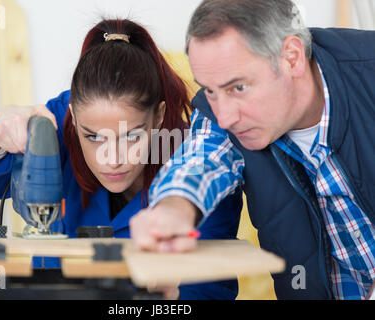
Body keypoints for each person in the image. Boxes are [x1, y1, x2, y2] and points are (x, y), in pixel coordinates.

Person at [0, 18, 242, 300]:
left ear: (159, 116)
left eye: (131, 136)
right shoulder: (57, 123)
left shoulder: (200, 166)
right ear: (74, 118)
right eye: (94, 137)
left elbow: (208, 287)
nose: (112, 159)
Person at [130, 0, 375, 300]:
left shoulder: (368, 73)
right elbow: (199, 161)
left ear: (292, 58)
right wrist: (171, 212)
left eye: (238, 88)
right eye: (209, 90)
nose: (225, 117)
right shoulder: (221, 117)